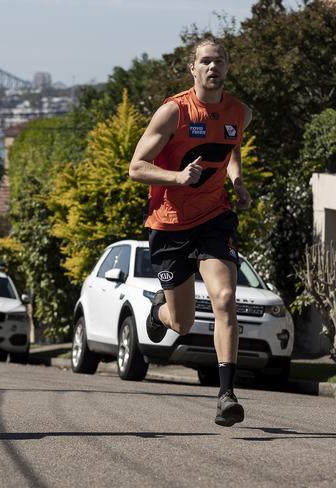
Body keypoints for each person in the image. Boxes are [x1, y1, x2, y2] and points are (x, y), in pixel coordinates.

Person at [128, 38, 252, 427]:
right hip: (168, 224)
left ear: (227, 66)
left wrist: (237, 181)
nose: (213, 67)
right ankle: (158, 310)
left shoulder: (239, 112)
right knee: (181, 323)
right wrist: (178, 177)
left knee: (225, 297)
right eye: (206, 62)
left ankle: (226, 394)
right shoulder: (173, 112)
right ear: (192, 69)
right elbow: (136, 167)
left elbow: (230, 146)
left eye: (220, 61)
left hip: (214, 218)